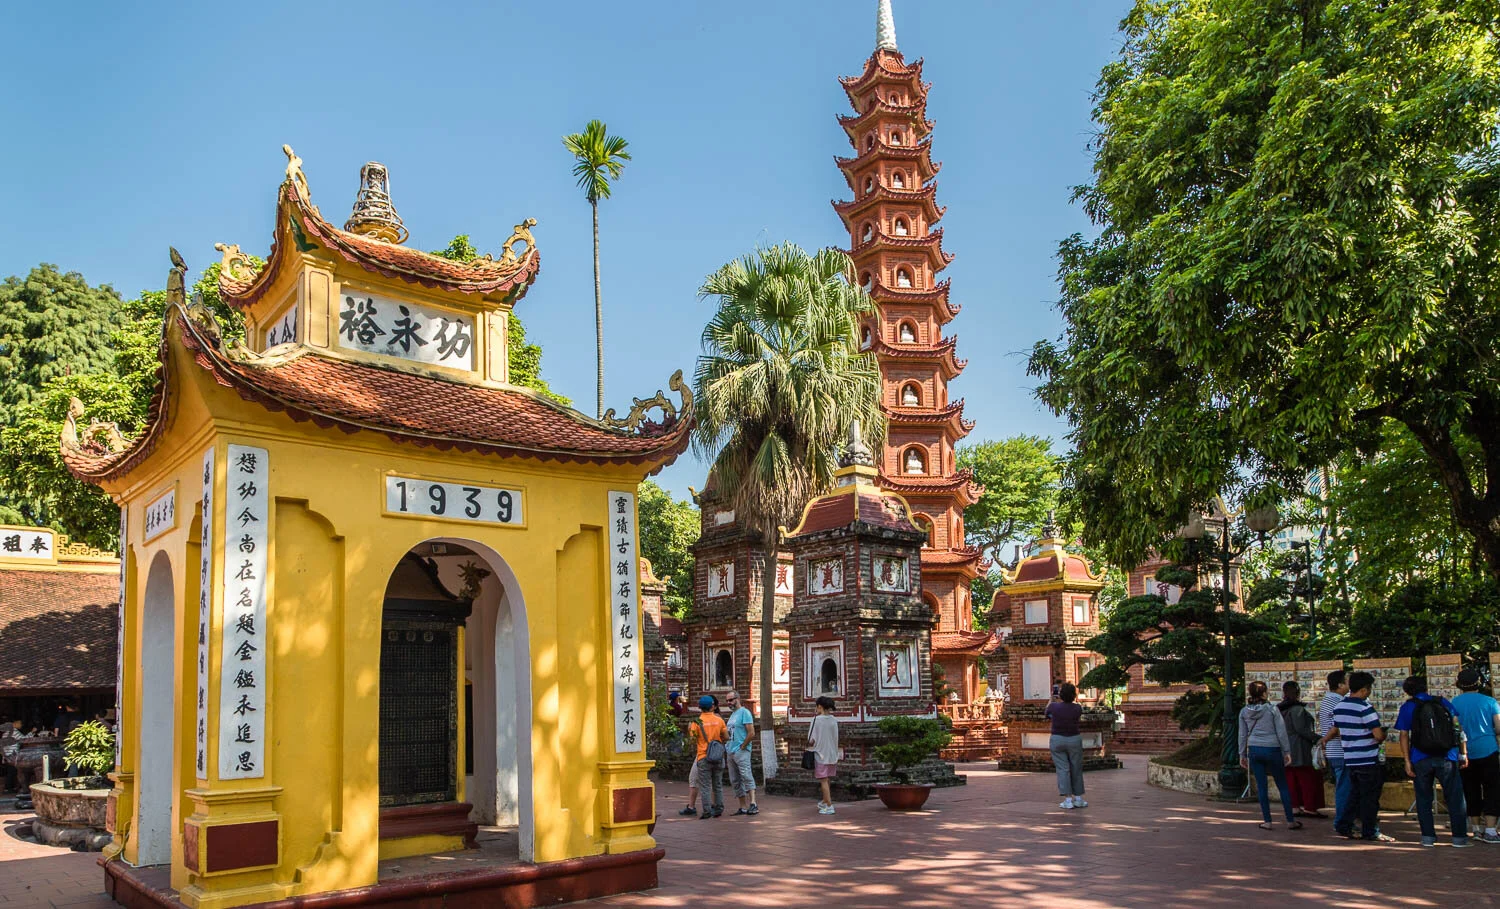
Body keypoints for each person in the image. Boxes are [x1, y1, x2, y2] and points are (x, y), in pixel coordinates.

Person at [1394, 675, 1470, 847]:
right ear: (1426, 687)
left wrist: (1407, 760)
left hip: (1420, 757)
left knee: (1423, 798)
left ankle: (1428, 837)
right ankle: (1459, 838)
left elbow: (1404, 735)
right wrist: (1463, 753)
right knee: (1455, 797)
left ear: (1407, 691)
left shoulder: (1408, 707)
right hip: (1447, 755)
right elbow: (1457, 727)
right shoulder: (1442, 702)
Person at [1319, 671, 1393, 842]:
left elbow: (1335, 728)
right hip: (1367, 758)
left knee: (1353, 795)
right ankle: (1370, 830)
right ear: (1364, 689)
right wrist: (1383, 735)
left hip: (1350, 758)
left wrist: (1324, 740)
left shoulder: (1340, 707)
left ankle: (1344, 825)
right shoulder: (1365, 708)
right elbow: (1377, 735)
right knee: (1369, 798)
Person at [1239, 680, 1300, 830]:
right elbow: (1281, 731)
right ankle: (1290, 820)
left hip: (1254, 749)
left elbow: (1242, 734)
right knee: (1282, 784)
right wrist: (1286, 751)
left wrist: (1242, 754)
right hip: (1273, 748)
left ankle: (1267, 821)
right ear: (1264, 693)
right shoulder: (1272, 709)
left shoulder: (1244, 711)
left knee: (1262, 786)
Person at [1451, 668, 1500, 843]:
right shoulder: (1490, 702)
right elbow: (1499, 727)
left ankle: (1476, 829)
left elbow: (1455, 727)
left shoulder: (1454, 703)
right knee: (1492, 789)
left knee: (1470, 789)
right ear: (1479, 682)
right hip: (1488, 749)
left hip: (1465, 752)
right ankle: (1491, 830)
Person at [1278, 681, 1325, 818]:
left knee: (1291, 779)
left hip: (1285, 747)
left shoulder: (1280, 709)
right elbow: (1301, 729)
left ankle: (1294, 806)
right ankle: (1310, 807)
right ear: (1298, 693)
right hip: (1299, 747)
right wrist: (1318, 738)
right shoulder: (1296, 709)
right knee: (1307, 778)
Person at [1317, 669, 1353, 832]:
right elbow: (1336, 726)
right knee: (1344, 787)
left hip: (1336, 750)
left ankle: (1346, 818)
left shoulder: (1330, 699)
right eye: (1347, 681)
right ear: (1340, 685)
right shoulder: (1336, 701)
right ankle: (1342, 821)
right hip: (1340, 750)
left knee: (1345, 785)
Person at [1046, 682, 1087, 809]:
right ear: (1074, 695)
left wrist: (1052, 699)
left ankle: (1068, 800)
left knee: (1062, 769)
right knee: (1076, 767)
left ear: (1061, 695)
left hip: (1057, 739)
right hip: (1074, 739)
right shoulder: (1077, 708)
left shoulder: (1053, 706)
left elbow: (1047, 713)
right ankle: (1078, 798)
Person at [687, 695, 728, 819]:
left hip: (703, 756)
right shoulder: (719, 720)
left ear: (700, 707)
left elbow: (692, 740)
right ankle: (719, 808)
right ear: (712, 706)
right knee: (718, 784)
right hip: (718, 756)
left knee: (705, 786)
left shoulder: (696, 722)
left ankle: (707, 811)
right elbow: (726, 737)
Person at [723, 691, 759, 816]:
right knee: (735, 779)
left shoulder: (745, 712)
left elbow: (751, 732)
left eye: (731, 700)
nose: (729, 703)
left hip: (741, 750)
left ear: (737, 699)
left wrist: (743, 746)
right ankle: (742, 806)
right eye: (727, 701)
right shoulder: (732, 715)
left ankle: (753, 803)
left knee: (746, 775)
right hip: (730, 750)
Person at [809, 696, 841, 815]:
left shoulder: (816, 720)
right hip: (832, 754)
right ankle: (825, 800)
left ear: (819, 706)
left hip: (820, 753)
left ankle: (829, 805)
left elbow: (811, 740)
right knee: (827, 779)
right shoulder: (834, 720)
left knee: (823, 780)